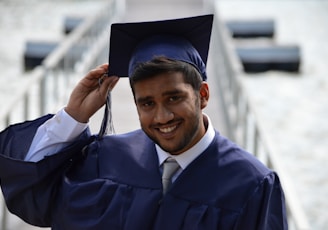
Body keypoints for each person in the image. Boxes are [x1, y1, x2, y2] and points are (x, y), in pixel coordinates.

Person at [0, 15, 288, 229]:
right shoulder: (106, 159)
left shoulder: (251, 184)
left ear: (203, 94)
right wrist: (74, 117)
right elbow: (33, 196)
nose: (162, 117)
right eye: (147, 103)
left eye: (174, 98)